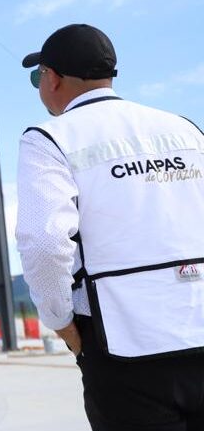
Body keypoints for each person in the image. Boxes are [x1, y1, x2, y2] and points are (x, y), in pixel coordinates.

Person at [16, 23, 204, 431]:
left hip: (121, 345)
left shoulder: (49, 137)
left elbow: (44, 240)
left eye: (38, 76)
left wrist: (59, 319)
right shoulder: (184, 128)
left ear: (52, 78)